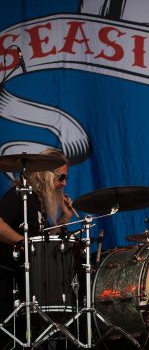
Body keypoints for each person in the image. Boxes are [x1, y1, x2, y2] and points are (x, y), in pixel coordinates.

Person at [0, 148, 74, 347]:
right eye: (61, 177)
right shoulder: (19, 195)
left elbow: (42, 242)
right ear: (46, 173)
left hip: (27, 282)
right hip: (7, 282)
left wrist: (64, 219)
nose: (64, 183)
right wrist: (23, 243)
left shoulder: (38, 202)